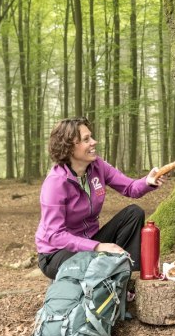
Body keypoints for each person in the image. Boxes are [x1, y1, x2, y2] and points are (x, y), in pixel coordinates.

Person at [35, 117, 164, 280]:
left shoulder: (98, 166)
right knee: (95, 260)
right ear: (68, 147)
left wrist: (148, 181)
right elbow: (55, 235)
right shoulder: (55, 183)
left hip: (90, 242)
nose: (94, 142)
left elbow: (130, 188)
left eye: (92, 137)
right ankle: (106, 276)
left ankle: (129, 279)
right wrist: (98, 246)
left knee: (134, 213)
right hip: (56, 253)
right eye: (86, 139)